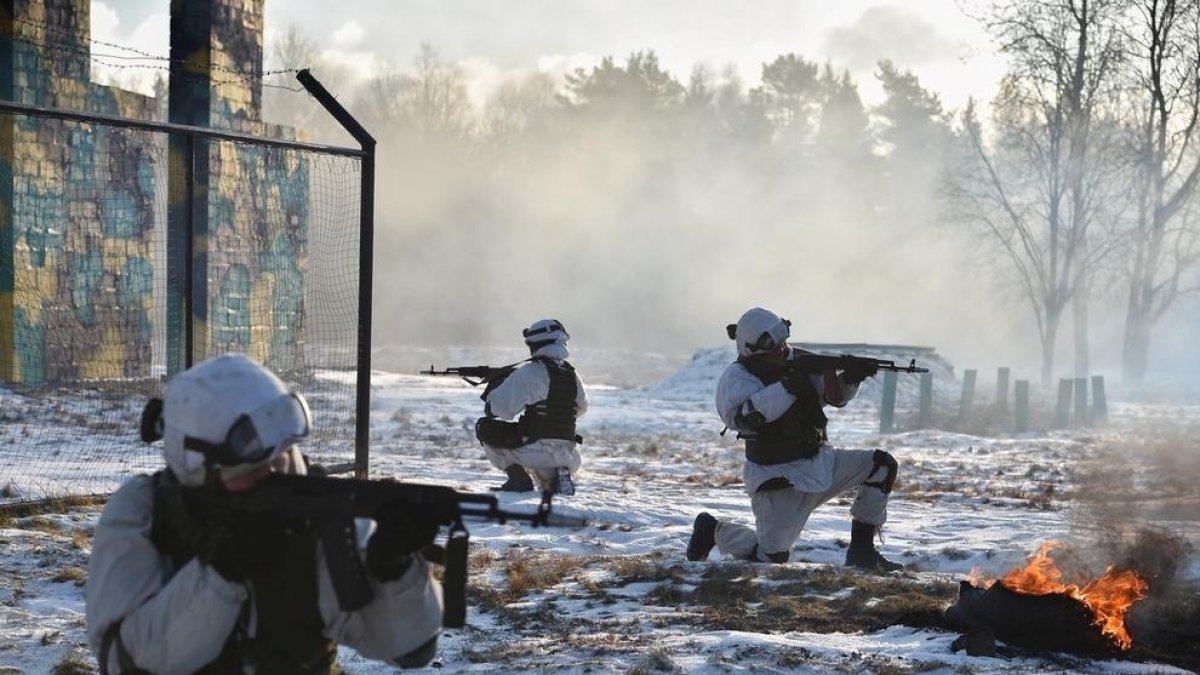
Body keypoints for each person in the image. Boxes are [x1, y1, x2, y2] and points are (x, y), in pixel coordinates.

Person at [86, 353, 443, 674]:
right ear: (200, 470)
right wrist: (221, 576)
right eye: (251, 468)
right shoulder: (145, 513)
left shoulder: (314, 511)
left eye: (282, 456)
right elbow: (123, 664)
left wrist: (395, 569)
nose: (276, 473)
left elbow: (411, 651)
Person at [686, 307, 903, 572]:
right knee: (771, 560)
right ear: (752, 348)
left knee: (880, 465)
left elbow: (832, 397)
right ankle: (713, 531)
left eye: (782, 341)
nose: (781, 349)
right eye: (771, 345)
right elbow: (743, 418)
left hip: (819, 462)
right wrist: (788, 387)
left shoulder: (796, 361)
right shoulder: (737, 378)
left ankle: (862, 553)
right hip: (778, 479)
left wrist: (850, 377)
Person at [476, 319, 589, 495]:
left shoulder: (529, 372)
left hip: (533, 451)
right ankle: (558, 476)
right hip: (569, 455)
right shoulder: (572, 374)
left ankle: (517, 479)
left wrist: (497, 386)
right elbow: (581, 408)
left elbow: (498, 410)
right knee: (545, 460)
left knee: (485, 428)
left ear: (534, 343)